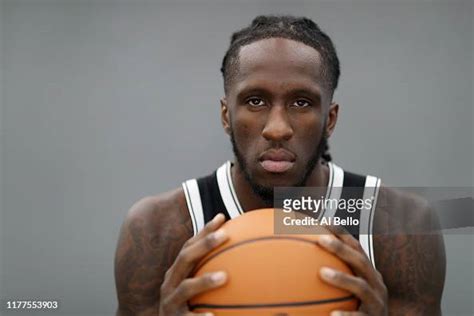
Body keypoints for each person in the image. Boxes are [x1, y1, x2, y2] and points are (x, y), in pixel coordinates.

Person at [114, 15, 446, 316]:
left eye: (301, 103)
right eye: (255, 101)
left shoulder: (404, 227)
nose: (277, 128)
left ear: (329, 119)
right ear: (226, 115)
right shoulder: (155, 230)